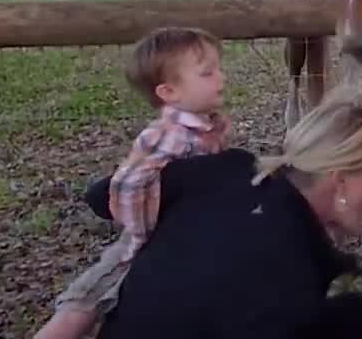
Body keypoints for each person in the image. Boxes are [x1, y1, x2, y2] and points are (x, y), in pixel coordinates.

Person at [76, 84, 362, 338]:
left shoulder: (228, 167)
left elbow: (100, 196)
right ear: (341, 180)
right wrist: (358, 310)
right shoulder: (296, 290)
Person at [36, 26, 232, 339]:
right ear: (169, 92)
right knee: (87, 300)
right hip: (143, 240)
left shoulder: (204, 126)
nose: (221, 78)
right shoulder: (169, 135)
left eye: (218, 69)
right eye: (208, 73)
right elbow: (128, 184)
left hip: (180, 233)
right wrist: (142, 233)